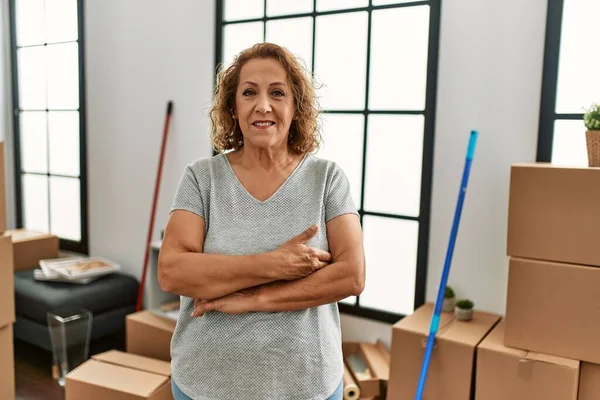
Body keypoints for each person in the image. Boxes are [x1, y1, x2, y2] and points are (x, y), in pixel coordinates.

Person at [158, 42, 366, 400]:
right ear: (233, 107)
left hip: (308, 385)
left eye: (277, 93)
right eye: (249, 92)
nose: (263, 105)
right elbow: (172, 272)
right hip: (205, 386)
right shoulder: (201, 178)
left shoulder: (327, 178)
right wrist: (273, 264)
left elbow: (352, 275)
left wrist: (254, 299)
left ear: (296, 107)